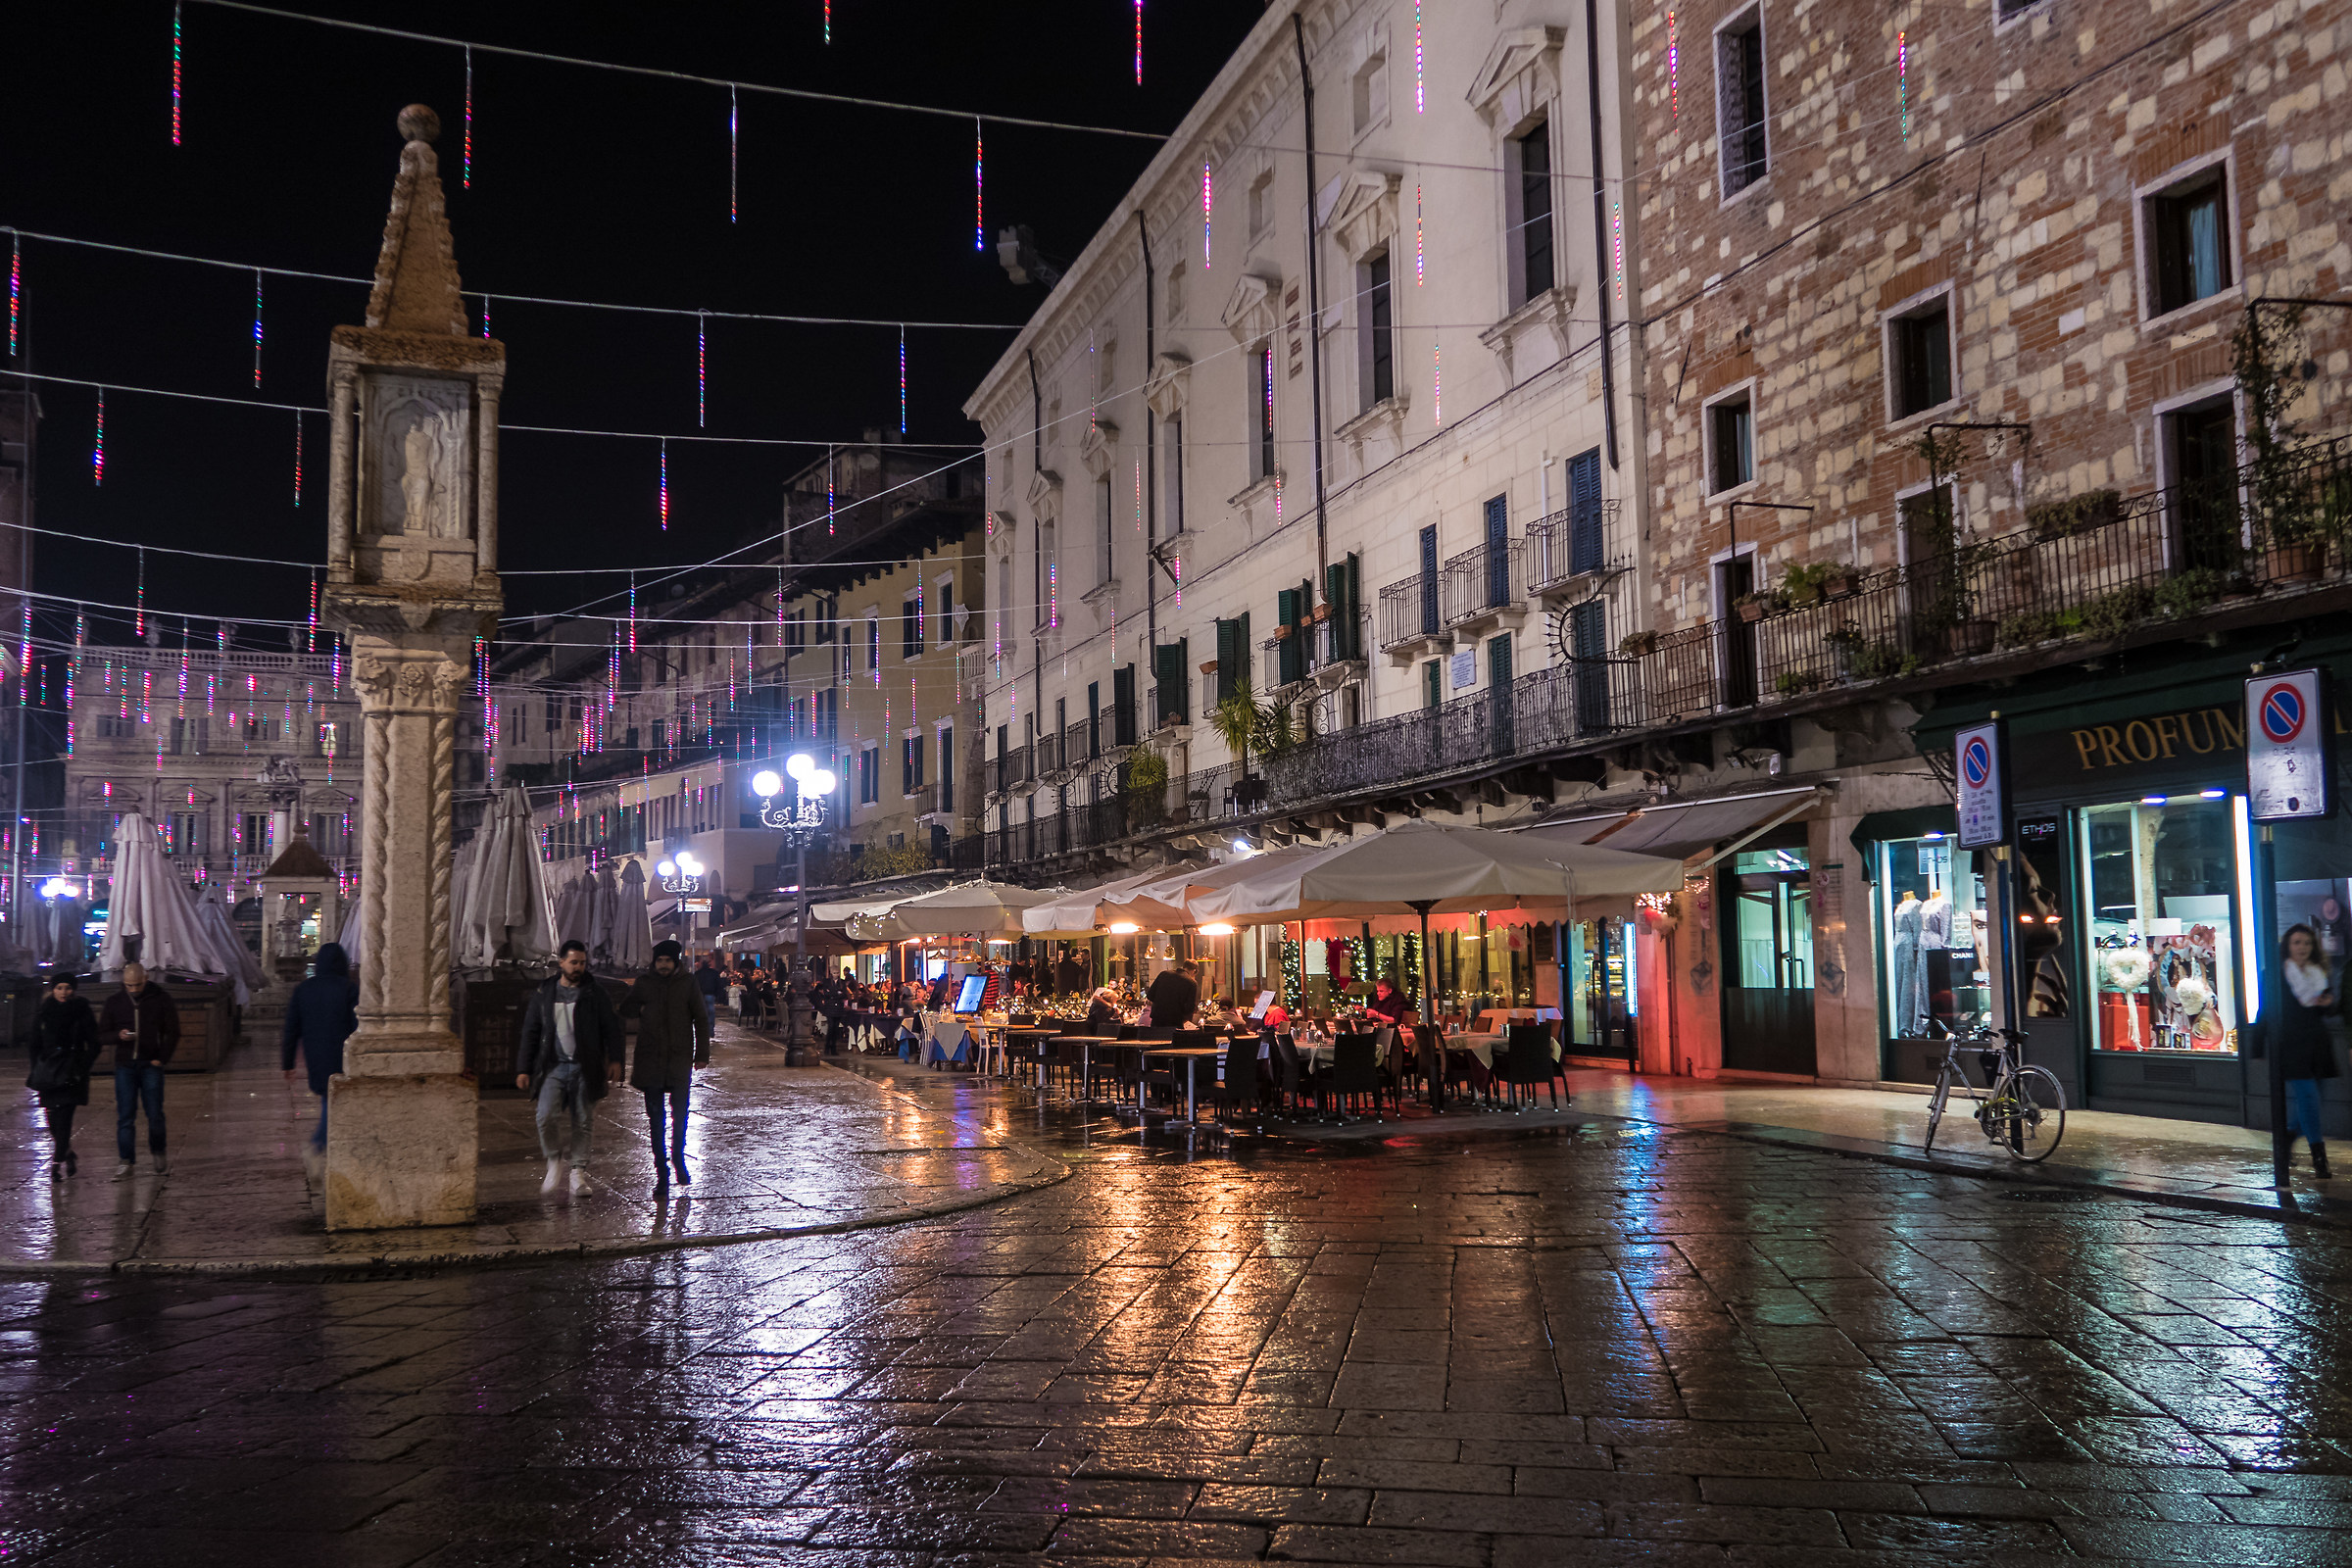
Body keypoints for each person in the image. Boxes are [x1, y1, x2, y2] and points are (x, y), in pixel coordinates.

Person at [515, 939, 624, 1196]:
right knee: (545, 1115)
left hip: (585, 1066)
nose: (578, 967)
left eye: (583, 963)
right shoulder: (545, 993)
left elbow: (612, 1028)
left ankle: (578, 1172)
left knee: (583, 1120)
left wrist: (616, 1060)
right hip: (553, 1065)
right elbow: (531, 1031)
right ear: (561, 962)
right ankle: (554, 1159)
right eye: (574, 962)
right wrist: (524, 1068)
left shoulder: (595, 993)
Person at [622, 939, 712, 1192]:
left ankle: (678, 1159)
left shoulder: (687, 983)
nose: (663, 965)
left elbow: (701, 1019)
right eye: (659, 960)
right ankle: (661, 1169)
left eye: (667, 961)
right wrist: (629, 1002)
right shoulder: (644, 983)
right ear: (654, 962)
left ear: (675, 962)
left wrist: (702, 1054)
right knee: (655, 1118)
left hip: (679, 1059)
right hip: (650, 1058)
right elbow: (626, 1010)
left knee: (680, 1114)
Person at [280, 942, 359, 1177]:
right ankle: (318, 1146)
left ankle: (328, 1151)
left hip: (315, 1056)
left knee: (329, 1099)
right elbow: (358, 1026)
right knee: (332, 1102)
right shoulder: (349, 988)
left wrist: (288, 1063)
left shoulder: (303, 989)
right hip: (342, 1055)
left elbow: (291, 1029)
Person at [2270, 924, 2340, 1179]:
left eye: (2307, 943)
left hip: (2317, 1046)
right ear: (2288, 945)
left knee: (2313, 1102)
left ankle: (2287, 1136)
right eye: (2297, 942)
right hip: (2292, 1047)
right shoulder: (2278, 974)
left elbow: (2327, 1011)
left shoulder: (2317, 974)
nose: (2302, 948)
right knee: (2309, 1099)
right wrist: (2257, 1044)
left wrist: (2328, 1003)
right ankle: (2319, 1159)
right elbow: (2267, 1009)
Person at [99, 961, 180, 1179]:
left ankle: (158, 1149)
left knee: (154, 1113)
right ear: (123, 983)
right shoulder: (114, 1002)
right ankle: (126, 1160)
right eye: (129, 985)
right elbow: (102, 1033)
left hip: (150, 1064)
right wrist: (118, 1035)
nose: (133, 989)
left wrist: (161, 1058)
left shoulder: (160, 999)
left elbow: (172, 1031)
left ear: (145, 979)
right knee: (125, 1115)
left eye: (137, 984)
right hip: (125, 1064)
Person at [24, 971, 100, 1180]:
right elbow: (34, 1044)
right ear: (52, 989)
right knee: (53, 1121)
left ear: (73, 989)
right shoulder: (44, 1012)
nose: (63, 992)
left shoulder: (81, 1011)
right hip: (48, 1071)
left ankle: (56, 1163)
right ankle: (67, 1152)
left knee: (65, 1117)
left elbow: (94, 1043)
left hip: (72, 1071)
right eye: (59, 988)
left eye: (67, 988)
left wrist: (82, 1066)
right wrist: (37, 1068)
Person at [1146, 958, 1200, 1028]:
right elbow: (1190, 1008)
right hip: (1175, 1023)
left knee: (1156, 1038)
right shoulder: (1192, 983)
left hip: (1157, 1020)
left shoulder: (1164, 974)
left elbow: (1150, 995)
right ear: (1194, 971)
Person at [694, 956, 726, 1033]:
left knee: (701, 1012)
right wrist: (717, 994)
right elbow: (718, 984)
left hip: (700, 995)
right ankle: (710, 1029)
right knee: (711, 1012)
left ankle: (702, 1029)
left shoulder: (697, 973)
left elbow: (694, 985)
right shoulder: (714, 973)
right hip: (710, 994)